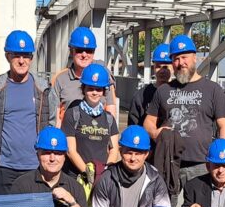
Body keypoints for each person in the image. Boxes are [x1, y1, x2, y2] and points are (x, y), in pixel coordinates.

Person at [142, 34, 225, 207]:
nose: (180, 62)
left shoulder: (212, 89)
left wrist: (222, 159)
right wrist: (156, 133)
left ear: (194, 58)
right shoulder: (163, 90)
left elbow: (224, 126)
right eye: (176, 58)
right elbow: (148, 122)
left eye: (184, 57)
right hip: (169, 162)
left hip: (202, 164)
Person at [0, 30, 58, 195]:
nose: (21, 61)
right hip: (4, 168)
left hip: (35, 166)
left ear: (31, 58)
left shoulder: (43, 90)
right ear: (7, 56)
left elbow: (51, 122)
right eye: (16, 55)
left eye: (26, 55)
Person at [61, 62, 119, 190]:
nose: (94, 92)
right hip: (76, 178)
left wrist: (105, 174)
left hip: (102, 180)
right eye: (90, 88)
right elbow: (70, 151)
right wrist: (88, 174)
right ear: (83, 89)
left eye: (98, 89)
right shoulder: (72, 114)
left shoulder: (109, 118)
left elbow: (114, 150)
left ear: (103, 91)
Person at [51, 26, 117, 122]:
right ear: (71, 51)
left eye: (89, 50)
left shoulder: (104, 75)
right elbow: (55, 117)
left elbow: (111, 110)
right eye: (79, 50)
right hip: (69, 130)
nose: (84, 55)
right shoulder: (59, 79)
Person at [127, 44, 172, 127]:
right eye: (158, 66)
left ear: (173, 67)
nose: (162, 71)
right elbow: (133, 126)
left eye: (165, 67)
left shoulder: (180, 93)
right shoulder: (141, 96)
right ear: (153, 67)